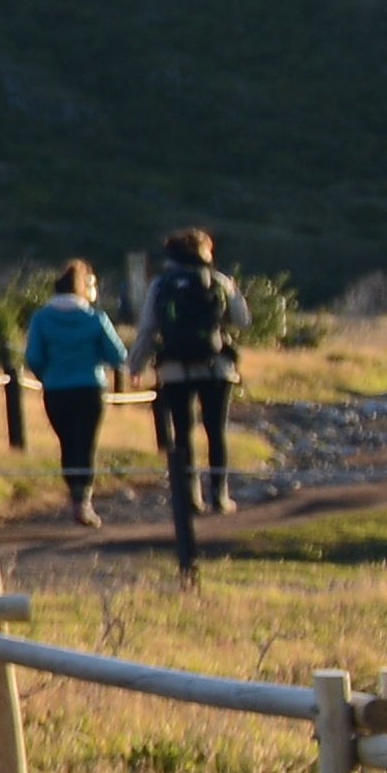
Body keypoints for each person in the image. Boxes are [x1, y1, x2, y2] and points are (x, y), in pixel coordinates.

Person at [136, 224, 245, 560]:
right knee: (216, 431)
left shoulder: (161, 284)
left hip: (174, 370)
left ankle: (190, 497)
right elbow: (242, 320)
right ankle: (220, 495)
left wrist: (134, 366)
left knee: (182, 434)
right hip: (216, 368)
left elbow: (148, 328)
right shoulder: (220, 281)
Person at [17, 256, 129, 521]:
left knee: (67, 444)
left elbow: (33, 357)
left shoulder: (41, 319)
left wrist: (50, 376)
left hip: (56, 391)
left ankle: (73, 496)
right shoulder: (95, 319)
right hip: (90, 388)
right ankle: (84, 501)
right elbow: (117, 355)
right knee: (86, 444)